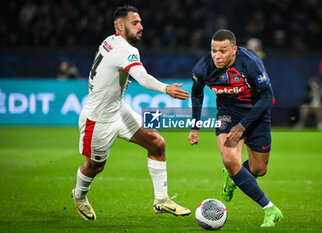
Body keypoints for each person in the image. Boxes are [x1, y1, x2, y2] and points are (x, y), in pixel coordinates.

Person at [71, 5, 191, 220]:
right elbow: (142, 77)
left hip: (118, 109)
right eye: (135, 23)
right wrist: (166, 89)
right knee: (95, 166)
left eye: (140, 22)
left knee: (157, 143)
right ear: (120, 26)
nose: (141, 27)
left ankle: (161, 200)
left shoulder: (110, 40)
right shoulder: (125, 50)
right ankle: (79, 196)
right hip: (98, 119)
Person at [188, 29, 283, 227]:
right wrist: (195, 125)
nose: (217, 55)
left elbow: (267, 97)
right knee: (230, 159)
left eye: (223, 51)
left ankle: (233, 179)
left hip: (256, 114)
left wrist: (244, 125)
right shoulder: (203, 67)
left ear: (234, 50)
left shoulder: (250, 62)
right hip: (228, 114)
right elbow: (196, 93)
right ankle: (269, 208)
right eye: (214, 50)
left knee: (259, 169)